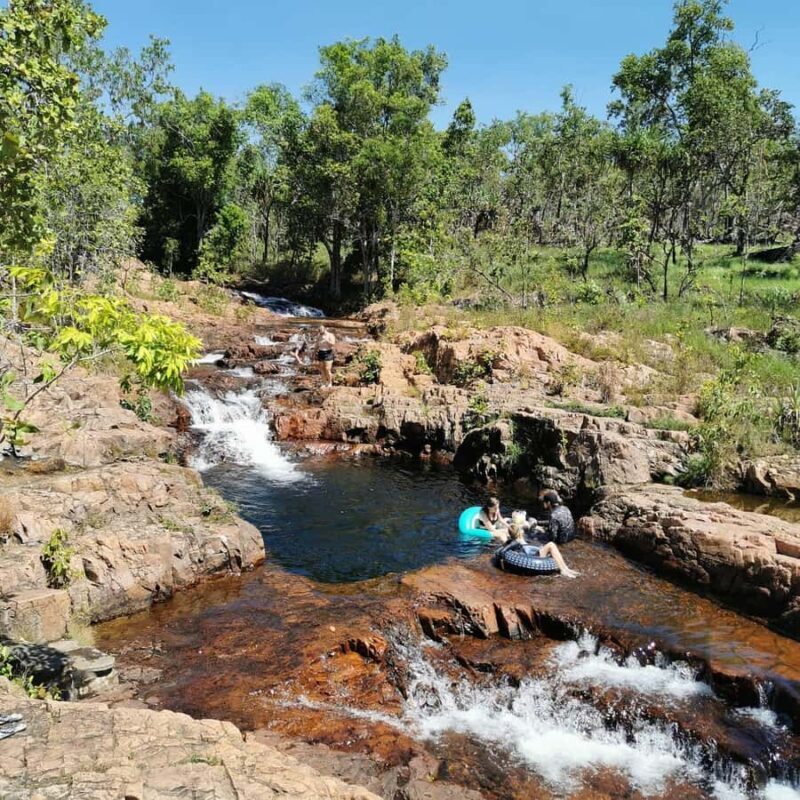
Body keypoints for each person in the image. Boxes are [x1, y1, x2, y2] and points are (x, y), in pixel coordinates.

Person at [504, 521, 579, 579]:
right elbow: (510, 549)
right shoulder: (516, 542)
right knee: (551, 545)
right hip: (533, 557)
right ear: (519, 532)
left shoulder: (519, 539)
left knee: (550, 545)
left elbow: (528, 546)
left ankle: (566, 568)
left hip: (533, 554)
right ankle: (563, 570)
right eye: (520, 529)